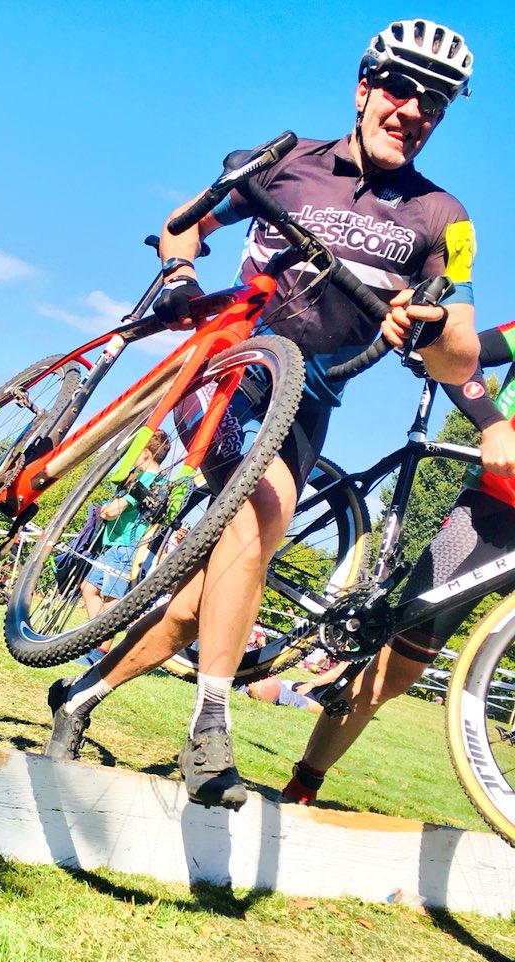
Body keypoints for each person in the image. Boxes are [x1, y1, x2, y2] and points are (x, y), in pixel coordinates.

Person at [43, 19, 481, 811]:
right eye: (400, 88)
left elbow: (457, 356)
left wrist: (433, 327)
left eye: (435, 102)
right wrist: (180, 273)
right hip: (235, 369)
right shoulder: (285, 161)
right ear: (364, 87)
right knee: (264, 505)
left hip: (313, 399)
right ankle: (210, 727)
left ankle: (79, 696)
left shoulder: (444, 217)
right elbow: (184, 224)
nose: (413, 109)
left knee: (201, 598)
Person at [283, 319, 515, 802]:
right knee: (394, 671)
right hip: (493, 511)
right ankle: (305, 781)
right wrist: (493, 428)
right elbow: (459, 360)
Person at [75, 431, 172, 666]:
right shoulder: (151, 479)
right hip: (115, 544)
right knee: (88, 587)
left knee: (111, 599)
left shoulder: (147, 480)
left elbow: (112, 512)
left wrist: (105, 509)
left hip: (128, 546)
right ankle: (94, 639)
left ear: (146, 453)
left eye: (135, 452)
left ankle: (98, 653)